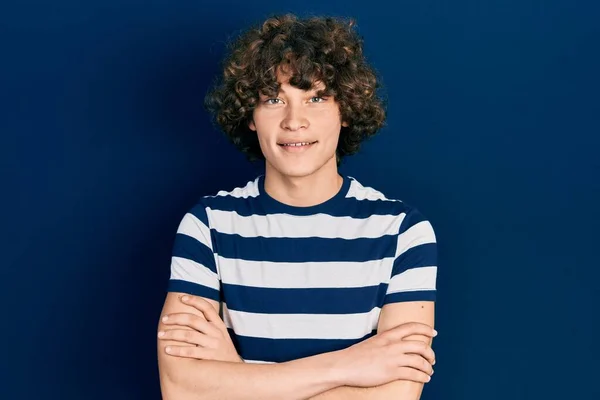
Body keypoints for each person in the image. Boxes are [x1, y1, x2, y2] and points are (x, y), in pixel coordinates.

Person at [156, 13, 439, 400]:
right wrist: (350, 365)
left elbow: (394, 395)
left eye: (317, 98)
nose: (294, 121)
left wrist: (234, 377)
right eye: (273, 99)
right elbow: (181, 390)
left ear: (346, 110)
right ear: (251, 116)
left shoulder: (403, 231)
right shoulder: (207, 225)